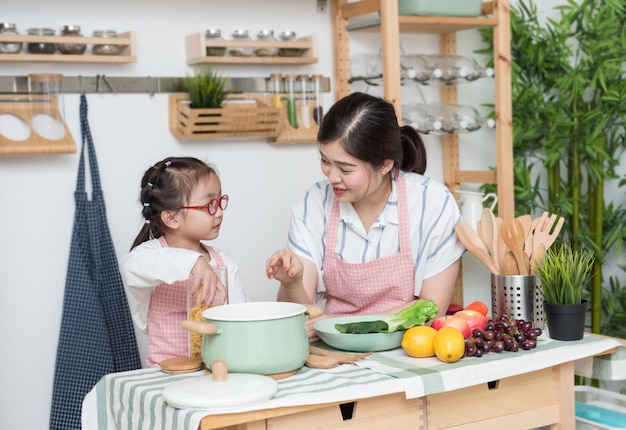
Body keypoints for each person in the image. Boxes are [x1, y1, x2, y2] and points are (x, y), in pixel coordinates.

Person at [265, 92, 465, 340]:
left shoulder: (432, 204)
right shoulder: (312, 204)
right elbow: (301, 316)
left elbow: (430, 310)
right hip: (333, 350)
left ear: (385, 164)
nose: (332, 176)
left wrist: (340, 325)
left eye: (346, 168)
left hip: (410, 348)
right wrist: (291, 283)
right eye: (325, 161)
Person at [120, 156, 248, 367]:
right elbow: (130, 266)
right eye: (209, 205)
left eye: (220, 201)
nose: (219, 212)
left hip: (215, 370)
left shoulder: (224, 263)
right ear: (171, 218)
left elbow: (241, 321)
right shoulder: (150, 255)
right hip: (164, 375)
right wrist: (193, 262)